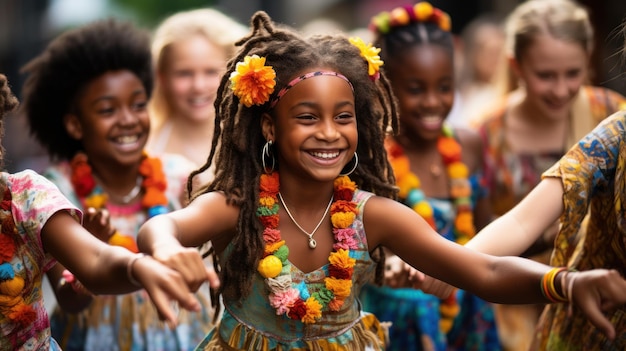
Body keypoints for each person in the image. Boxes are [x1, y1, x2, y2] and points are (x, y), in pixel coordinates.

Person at [135, 11, 626, 351]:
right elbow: (163, 228)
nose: (328, 133)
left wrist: (565, 282)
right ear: (269, 126)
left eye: (343, 117)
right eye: (307, 117)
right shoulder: (238, 206)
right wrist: (165, 249)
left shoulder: (375, 215)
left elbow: (485, 272)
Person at [20, 19, 215, 350]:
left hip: (184, 335)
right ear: (75, 124)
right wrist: (87, 262)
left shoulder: (181, 176)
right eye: (108, 109)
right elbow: (70, 301)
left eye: (138, 105)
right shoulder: (55, 192)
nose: (128, 119)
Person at [473, 1, 626, 349]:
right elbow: (500, 224)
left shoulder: (608, 109)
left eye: (572, 74)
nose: (560, 90)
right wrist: (449, 265)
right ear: (517, 67)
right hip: (511, 294)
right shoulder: (484, 134)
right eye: (546, 76)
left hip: (593, 296)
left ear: (589, 61)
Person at [360, 3, 499, 350]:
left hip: (469, 309)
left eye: (445, 86)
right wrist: (388, 266)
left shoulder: (467, 145)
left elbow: (484, 227)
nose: (433, 102)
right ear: (385, 87)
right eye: (417, 89)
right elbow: (356, 244)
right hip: (403, 316)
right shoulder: (373, 156)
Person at [147, 8, 247, 175]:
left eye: (211, 72)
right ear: (162, 77)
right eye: (184, 73)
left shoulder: (255, 142)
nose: (198, 86)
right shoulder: (147, 147)